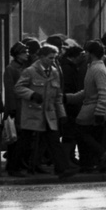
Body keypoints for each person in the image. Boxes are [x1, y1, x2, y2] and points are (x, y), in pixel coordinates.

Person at [14, 45, 78, 179]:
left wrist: (61, 114)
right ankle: (13, 167)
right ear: (41, 57)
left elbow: (58, 95)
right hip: (33, 113)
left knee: (54, 140)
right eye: (50, 58)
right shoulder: (30, 71)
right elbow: (18, 88)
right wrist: (31, 94)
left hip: (48, 113)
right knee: (25, 141)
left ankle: (62, 169)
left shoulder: (54, 72)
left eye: (54, 58)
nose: (53, 61)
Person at [66, 40, 106, 174]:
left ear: (91, 53)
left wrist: (100, 112)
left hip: (92, 108)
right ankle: (89, 163)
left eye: (86, 52)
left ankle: (103, 155)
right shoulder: (93, 67)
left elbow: (104, 91)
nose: (84, 55)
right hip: (92, 107)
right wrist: (68, 97)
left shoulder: (98, 69)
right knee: (92, 136)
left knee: (81, 133)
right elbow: (87, 90)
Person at [2, 42, 31, 177]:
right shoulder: (11, 69)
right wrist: (12, 108)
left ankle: (14, 165)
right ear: (18, 54)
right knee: (16, 139)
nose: (27, 54)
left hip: (22, 106)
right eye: (24, 52)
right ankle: (14, 166)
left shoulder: (22, 67)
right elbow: (9, 90)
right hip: (17, 107)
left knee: (19, 138)